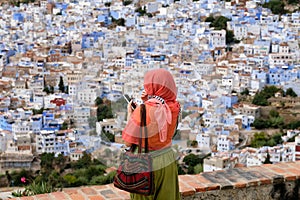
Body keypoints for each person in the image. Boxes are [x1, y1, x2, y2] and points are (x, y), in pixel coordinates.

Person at [122, 68, 181, 200]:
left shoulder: (142, 111)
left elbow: (128, 141)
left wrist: (131, 115)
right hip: (167, 160)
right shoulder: (175, 107)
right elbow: (160, 114)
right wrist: (148, 99)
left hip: (144, 162)